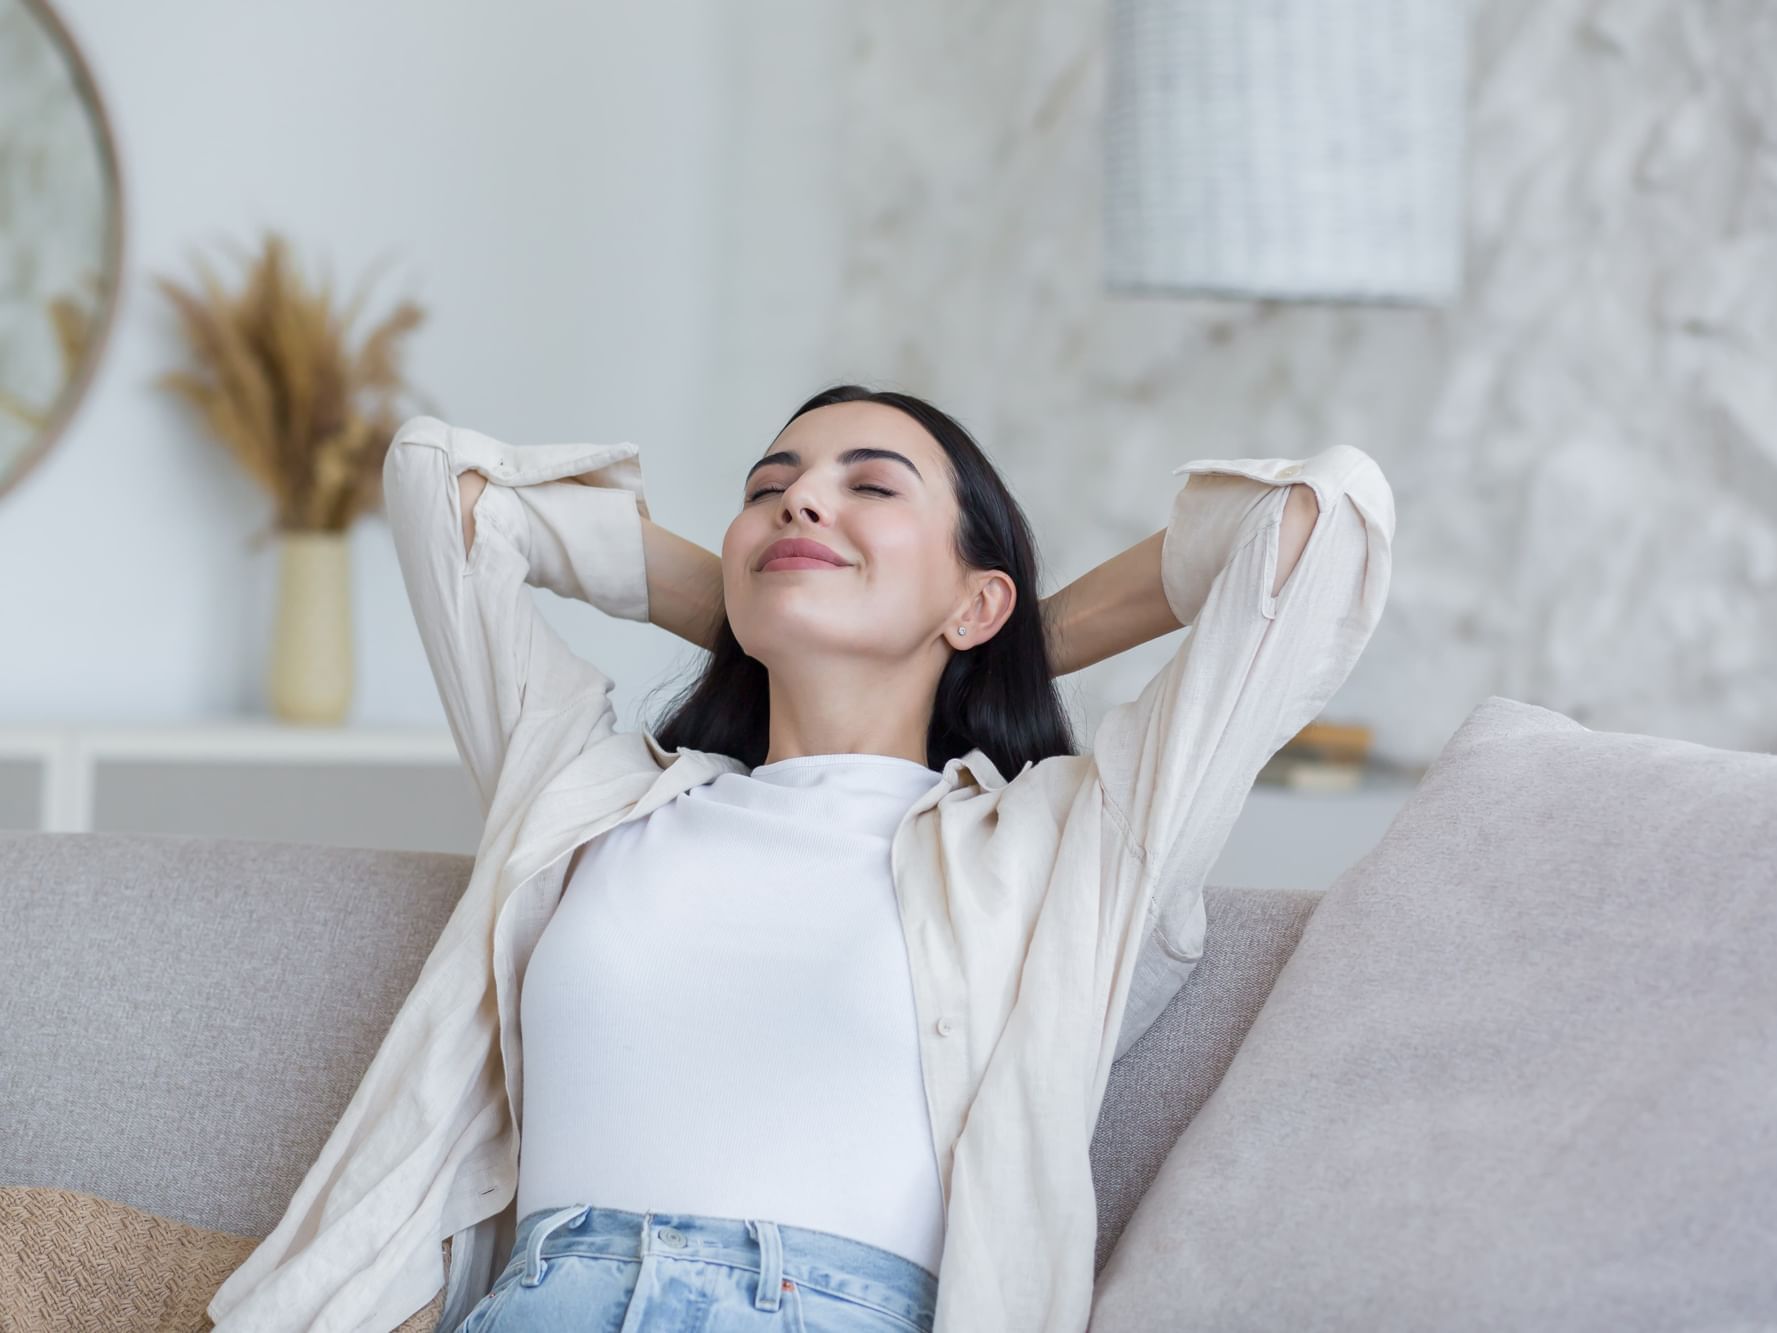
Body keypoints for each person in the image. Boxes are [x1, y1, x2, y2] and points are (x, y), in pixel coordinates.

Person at [207, 384, 1393, 1333]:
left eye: (868, 485)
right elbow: (443, 484)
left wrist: (1010, 636)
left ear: (975, 598)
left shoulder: (1056, 843)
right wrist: (754, 597)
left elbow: (1317, 523)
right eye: (767, 491)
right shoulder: (588, 794)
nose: (800, 503)